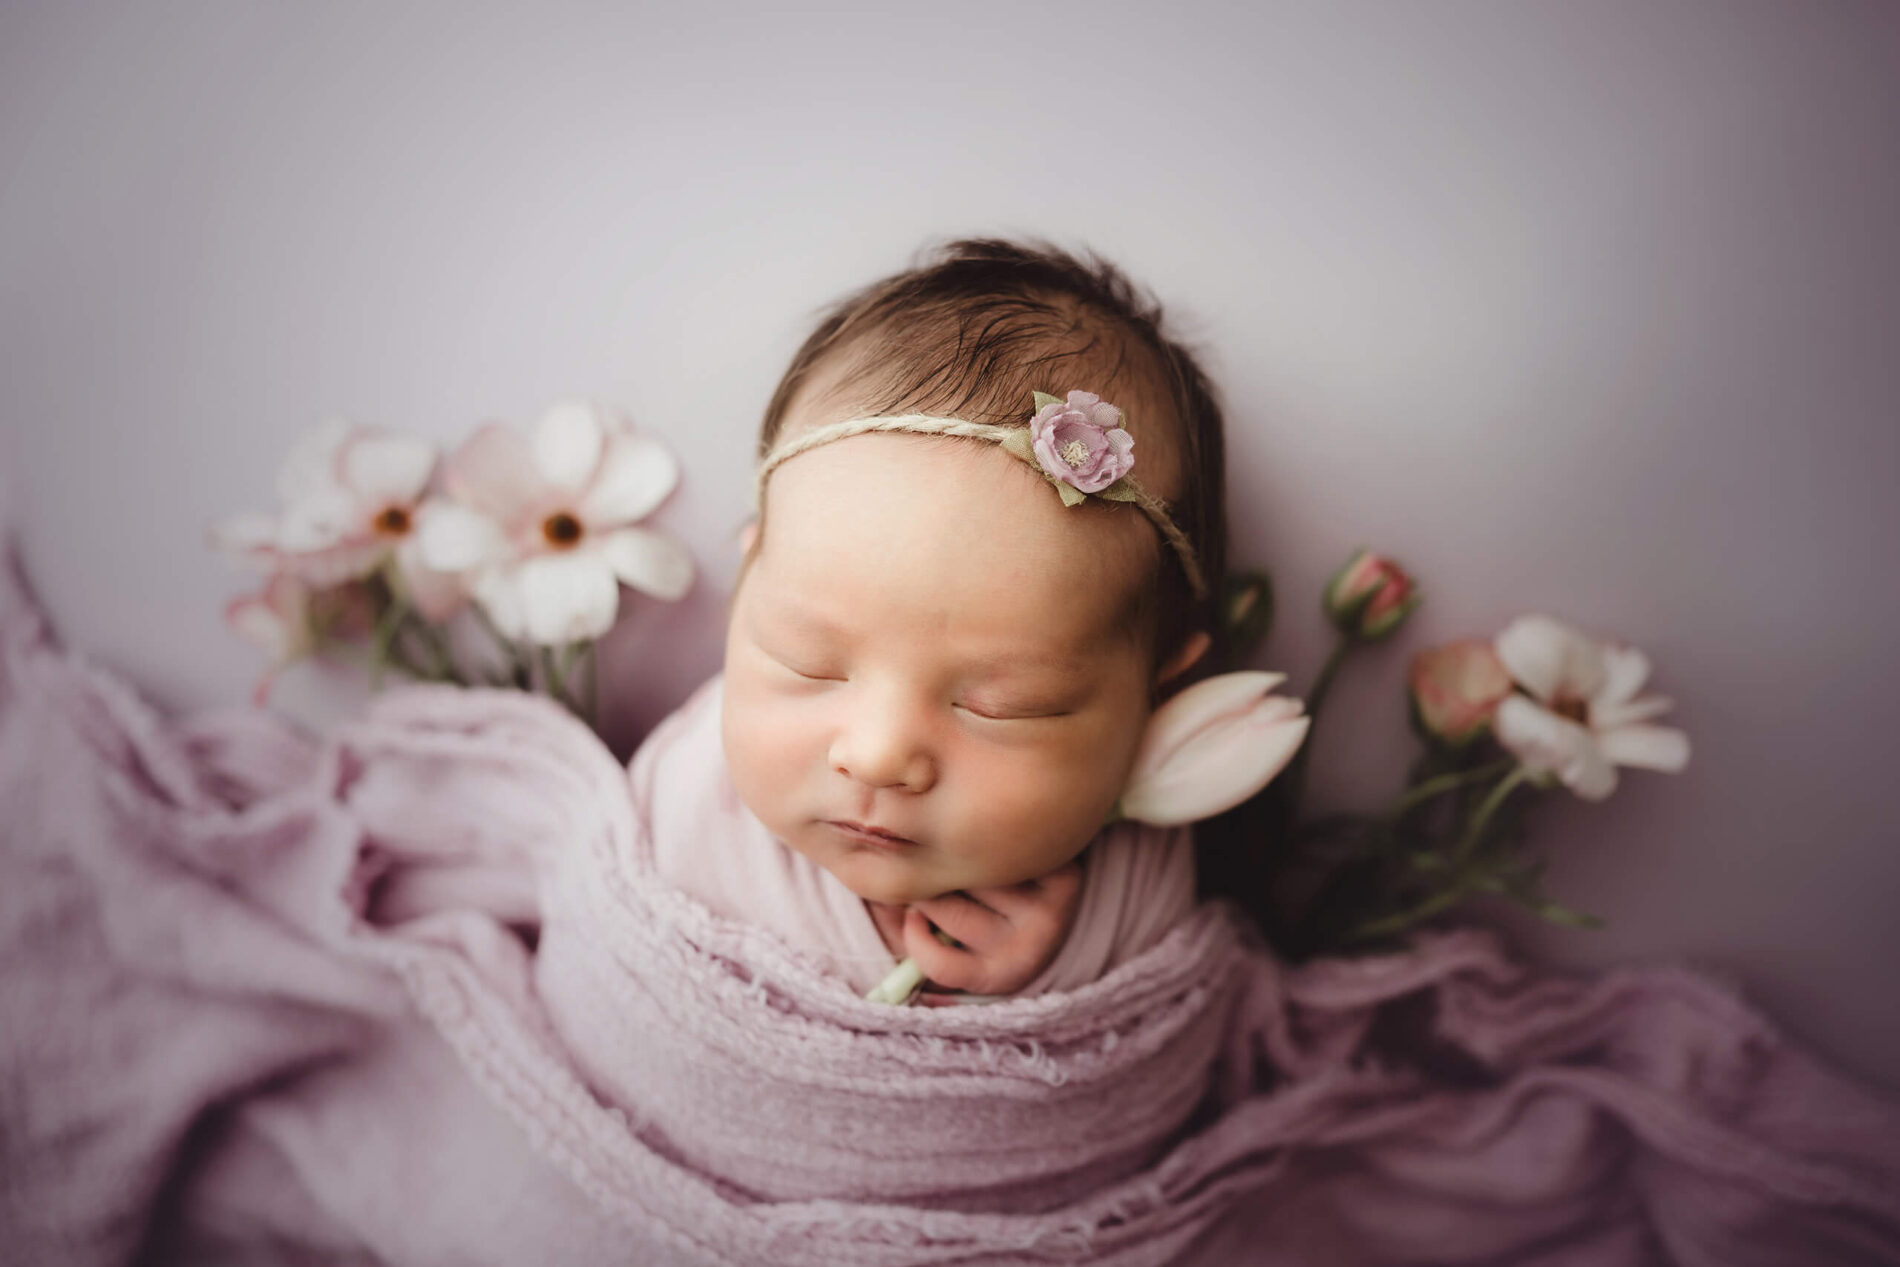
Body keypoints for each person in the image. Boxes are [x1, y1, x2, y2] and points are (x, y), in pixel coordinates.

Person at [643, 238, 1238, 1001]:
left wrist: (1043, 980)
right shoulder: (682, 801)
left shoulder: (1135, 885)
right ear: (746, 581)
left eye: (1002, 704)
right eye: (806, 660)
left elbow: (1131, 1058)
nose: (881, 754)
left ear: (1159, 690)